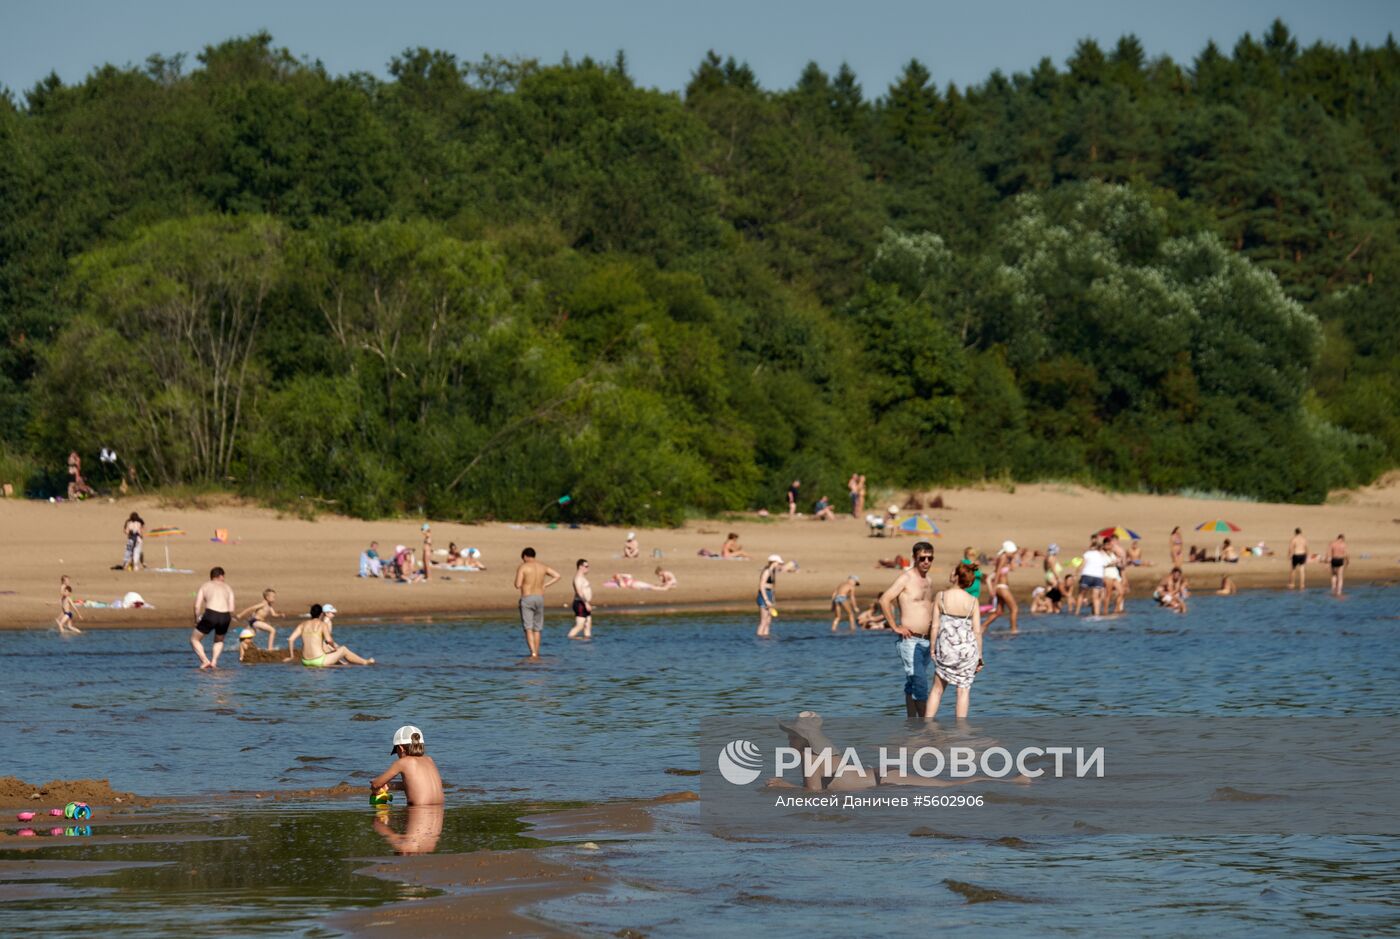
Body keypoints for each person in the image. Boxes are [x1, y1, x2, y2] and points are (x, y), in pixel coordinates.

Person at [879, 541, 936, 717]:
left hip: (927, 640)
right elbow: (884, 599)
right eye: (922, 558)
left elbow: (927, 607)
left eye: (930, 558)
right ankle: (928, 726)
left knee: (913, 682)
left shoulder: (929, 580)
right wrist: (895, 626)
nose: (926, 562)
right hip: (910, 640)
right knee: (920, 683)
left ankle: (912, 724)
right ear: (914, 558)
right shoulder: (906, 578)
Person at [925, 563, 983, 720]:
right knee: (963, 691)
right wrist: (979, 656)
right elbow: (977, 631)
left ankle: (927, 726)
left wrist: (932, 648)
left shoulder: (941, 596)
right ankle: (961, 732)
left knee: (937, 689)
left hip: (946, 649)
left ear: (957, 576)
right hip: (967, 651)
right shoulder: (973, 601)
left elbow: (935, 626)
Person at [370, 725, 443, 806]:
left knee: (380, 816)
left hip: (418, 813)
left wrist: (376, 787)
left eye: (396, 751)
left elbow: (376, 784)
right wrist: (389, 786)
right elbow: (415, 785)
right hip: (438, 813)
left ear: (401, 748)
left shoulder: (403, 762)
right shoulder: (430, 760)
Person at [285, 603, 374, 666]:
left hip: (305, 661)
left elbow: (290, 639)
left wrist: (291, 656)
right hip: (319, 661)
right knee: (343, 649)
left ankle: (344, 664)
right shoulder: (322, 624)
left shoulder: (302, 624)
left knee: (333, 655)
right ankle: (365, 662)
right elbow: (329, 640)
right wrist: (335, 648)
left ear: (311, 614)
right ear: (321, 614)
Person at [514, 547, 561, 658]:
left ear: (525, 556)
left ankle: (533, 653)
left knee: (528, 628)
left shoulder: (523, 567)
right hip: (539, 598)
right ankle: (537, 652)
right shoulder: (543, 567)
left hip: (527, 598)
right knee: (537, 628)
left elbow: (517, 585)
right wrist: (545, 585)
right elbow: (557, 576)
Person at [191, 567, 235, 669]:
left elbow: (197, 606)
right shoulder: (228, 588)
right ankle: (214, 662)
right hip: (225, 615)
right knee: (219, 641)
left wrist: (196, 618)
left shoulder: (205, 585)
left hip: (211, 614)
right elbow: (232, 608)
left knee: (194, 639)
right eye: (223, 577)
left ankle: (205, 661)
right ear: (220, 576)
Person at [980, 541, 1020, 632]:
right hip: (1001, 587)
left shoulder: (1005, 558)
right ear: (1007, 551)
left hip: (1001, 587)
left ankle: (983, 626)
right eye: (1013, 553)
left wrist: (1014, 559)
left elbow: (1012, 568)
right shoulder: (1003, 557)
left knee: (999, 612)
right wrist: (993, 587)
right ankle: (1014, 630)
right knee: (1014, 609)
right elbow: (997, 572)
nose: (1014, 554)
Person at [1075, 540, 1109, 616]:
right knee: (1096, 597)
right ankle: (1097, 614)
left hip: (1087, 574)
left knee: (1081, 594)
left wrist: (1076, 573)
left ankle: (1077, 612)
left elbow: (1083, 564)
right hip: (1098, 576)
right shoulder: (1103, 555)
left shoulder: (1087, 553)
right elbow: (1104, 566)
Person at [755, 555, 783, 637]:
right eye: (778, 563)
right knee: (763, 621)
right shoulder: (767, 571)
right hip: (764, 596)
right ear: (774, 562)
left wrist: (773, 599)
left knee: (768, 621)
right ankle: (760, 638)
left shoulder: (772, 571)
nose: (779, 565)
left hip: (769, 594)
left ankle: (766, 638)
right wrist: (766, 600)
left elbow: (772, 587)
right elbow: (761, 586)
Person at [567, 559, 594, 640]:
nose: (588, 568)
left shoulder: (583, 577)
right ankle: (570, 637)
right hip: (580, 603)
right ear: (580, 567)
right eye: (586, 566)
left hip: (585, 602)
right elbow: (579, 592)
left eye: (588, 566)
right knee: (580, 625)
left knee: (588, 624)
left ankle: (587, 641)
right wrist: (586, 603)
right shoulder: (578, 578)